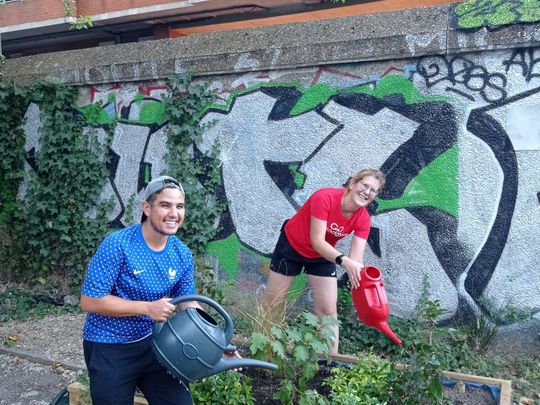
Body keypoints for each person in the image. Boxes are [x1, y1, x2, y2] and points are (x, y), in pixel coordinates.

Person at [80, 175, 202, 405]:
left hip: (156, 344)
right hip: (110, 344)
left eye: (180, 206)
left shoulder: (182, 253)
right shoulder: (118, 244)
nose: (174, 213)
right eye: (165, 205)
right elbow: (89, 301)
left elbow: (187, 303)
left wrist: (215, 341)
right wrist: (147, 308)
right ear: (147, 207)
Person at [262, 167, 385, 354]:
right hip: (292, 247)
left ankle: (330, 364)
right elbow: (317, 241)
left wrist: (363, 302)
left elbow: (355, 262)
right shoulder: (324, 198)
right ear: (352, 184)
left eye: (373, 190)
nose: (367, 192)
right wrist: (344, 261)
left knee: (328, 312)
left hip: (323, 256)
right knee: (274, 303)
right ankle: (264, 353)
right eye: (364, 185)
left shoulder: (363, 219)